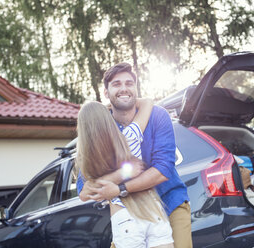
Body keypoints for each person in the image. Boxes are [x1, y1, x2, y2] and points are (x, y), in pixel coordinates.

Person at [78, 62, 192, 248]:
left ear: (136, 88)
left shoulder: (157, 116)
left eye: (129, 83)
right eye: (116, 84)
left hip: (168, 201)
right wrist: (120, 176)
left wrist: (118, 188)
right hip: (129, 211)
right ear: (106, 93)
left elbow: (163, 170)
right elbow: (86, 188)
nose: (124, 88)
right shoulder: (101, 126)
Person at [76, 101, 174, 248]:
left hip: (123, 218)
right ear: (108, 120)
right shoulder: (129, 136)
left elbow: (85, 194)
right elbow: (147, 103)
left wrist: (112, 179)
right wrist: (113, 104)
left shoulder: (86, 162)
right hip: (152, 210)